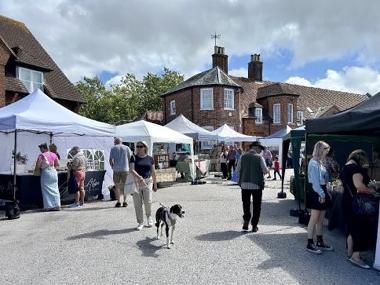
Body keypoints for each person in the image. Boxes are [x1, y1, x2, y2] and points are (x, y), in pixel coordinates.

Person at [341, 149, 378, 269]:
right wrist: (371, 190)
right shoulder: (355, 168)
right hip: (356, 203)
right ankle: (356, 257)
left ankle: (350, 253)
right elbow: (359, 186)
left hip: (347, 200)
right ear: (360, 158)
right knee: (358, 228)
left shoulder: (346, 167)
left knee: (351, 228)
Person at [306, 141, 333, 254]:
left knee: (320, 220)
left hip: (321, 191)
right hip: (317, 192)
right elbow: (315, 183)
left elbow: (323, 180)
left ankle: (319, 241)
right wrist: (322, 194)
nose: (327, 152)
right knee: (314, 219)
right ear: (321, 149)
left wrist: (326, 192)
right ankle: (310, 243)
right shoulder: (313, 163)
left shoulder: (320, 162)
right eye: (326, 149)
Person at [237, 141, 268, 232]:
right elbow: (265, 171)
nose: (261, 151)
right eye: (260, 149)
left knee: (246, 204)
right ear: (257, 148)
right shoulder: (259, 158)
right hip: (257, 185)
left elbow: (237, 169)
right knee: (256, 205)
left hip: (244, 184)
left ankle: (246, 221)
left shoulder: (243, 157)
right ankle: (254, 225)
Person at [130, 141, 157, 231]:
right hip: (136, 182)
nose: (138, 148)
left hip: (148, 181)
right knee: (137, 204)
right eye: (137, 146)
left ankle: (149, 217)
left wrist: (155, 184)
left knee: (148, 201)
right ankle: (140, 222)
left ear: (145, 147)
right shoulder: (133, 157)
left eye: (140, 146)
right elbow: (131, 170)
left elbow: (153, 172)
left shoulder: (150, 158)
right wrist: (139, 177)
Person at [34, 143, 60, 211]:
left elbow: (38, 165)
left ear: (43, 148)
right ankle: (57, 205)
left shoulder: (41, 155)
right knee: (55, 189)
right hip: (54, 171)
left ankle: (48, 206)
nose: (40, 150)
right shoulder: (54, 154)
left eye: (40, 148)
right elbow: (57, 164)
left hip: (46, 172)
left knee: (46, 190)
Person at [109, 138, 133, 208]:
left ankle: (118, 201)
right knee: (125, 186)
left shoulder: (113, 148)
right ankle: (125, 201)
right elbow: (130, 158)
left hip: (116, 170)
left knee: (117, 186)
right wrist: (129, 167)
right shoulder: (127, 148)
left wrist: (112, 166)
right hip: (125, 169)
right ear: (121, 142)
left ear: (115, 142)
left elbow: (110, 160)